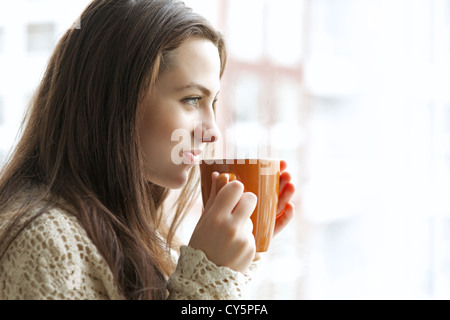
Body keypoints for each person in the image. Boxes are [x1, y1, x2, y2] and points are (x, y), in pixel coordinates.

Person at [0, 0, 296, 300]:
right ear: (116, 101)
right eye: (193, 99)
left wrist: (238, 256)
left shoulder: (139, 229)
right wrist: (210, 280)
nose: (212, 131)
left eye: (214, 103)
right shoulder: (44, 243)